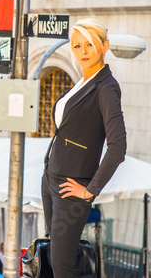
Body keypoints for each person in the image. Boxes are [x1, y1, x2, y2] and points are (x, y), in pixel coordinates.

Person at [41, 18, 127, 278]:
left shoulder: (106, 88)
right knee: (55, 257)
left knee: (62, 266)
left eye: (89, 45)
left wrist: (90, 192)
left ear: (104, 46)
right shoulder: (83, 81)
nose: (83, 52)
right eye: (77, 46)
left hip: (72, 188)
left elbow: (118, 147)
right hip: (50, 179)